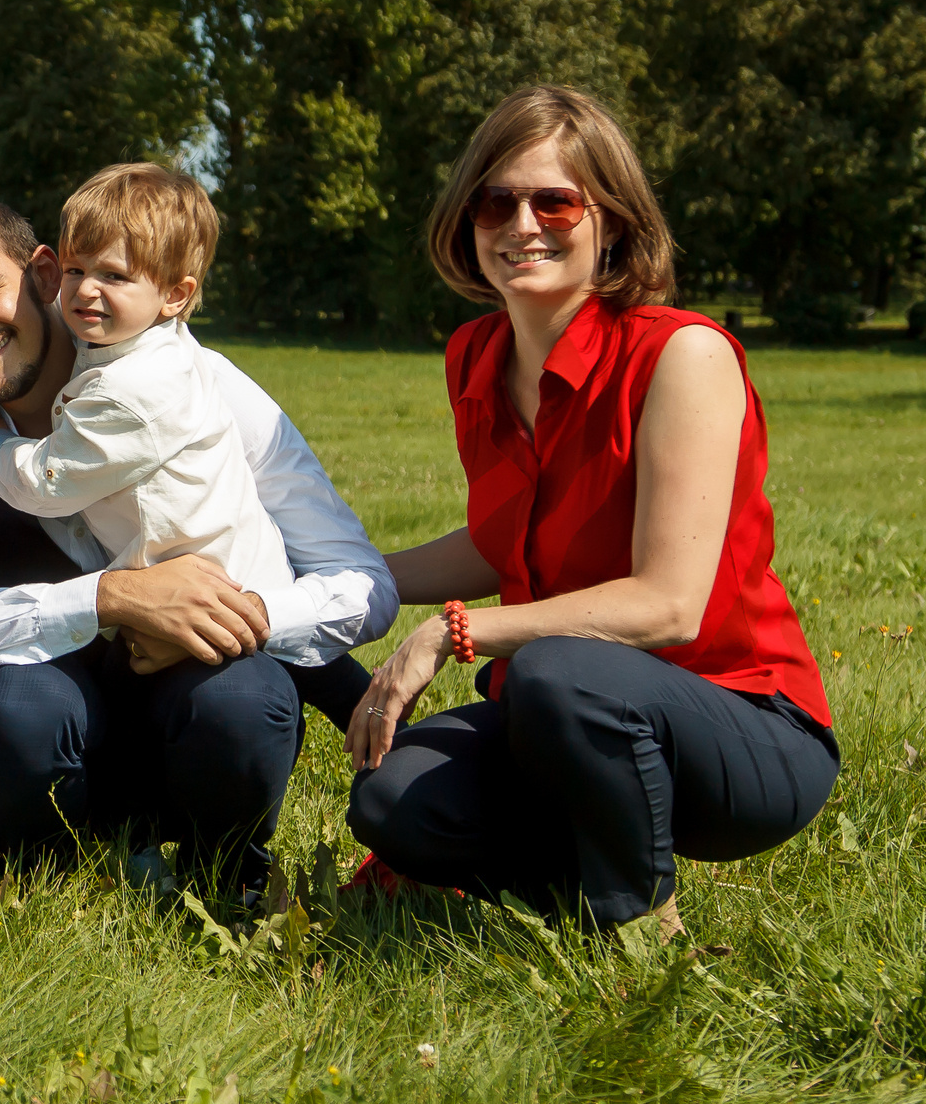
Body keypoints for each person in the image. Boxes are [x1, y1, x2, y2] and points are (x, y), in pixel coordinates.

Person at [344, 87, 837, 936]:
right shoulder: (475, 357)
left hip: (742, 724)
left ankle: (642, 931)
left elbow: (668, 604)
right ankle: (578, 892)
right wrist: (336, 582)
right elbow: (502, 542)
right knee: (394, 801)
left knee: (556, 669)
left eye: (555, 200)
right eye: (495, 199)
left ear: (611, 218)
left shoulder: (682, 354)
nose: (521, 222)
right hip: (563, 717)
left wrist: (449, 633)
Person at [0, 192, 396, 904]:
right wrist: (113, 599)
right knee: (13, 704)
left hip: (198, 697)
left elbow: (363, 584)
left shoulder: (191, 381)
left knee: (248, 697)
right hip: (62, 709)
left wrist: (232, 610)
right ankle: (51, 882)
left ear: (40, 273)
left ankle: (223, 873)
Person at [0, 164, 294, 623]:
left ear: (174, 295)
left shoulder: (130, 391)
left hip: (221, 596)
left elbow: (52, 484)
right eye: (74, 269)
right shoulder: (155, 345)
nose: (86, 288)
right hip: (233, 575)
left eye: (114, 276)